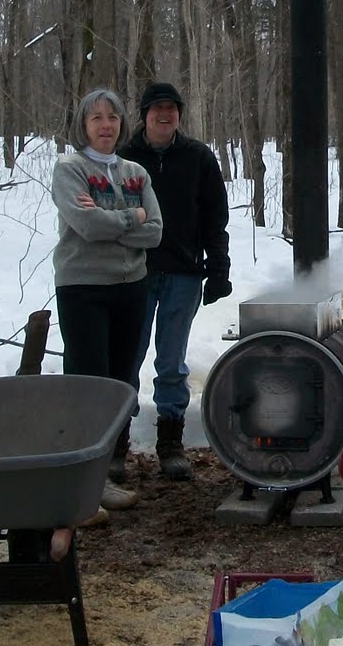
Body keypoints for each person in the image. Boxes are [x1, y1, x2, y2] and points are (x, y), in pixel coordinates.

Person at [53, 87, 164, 510]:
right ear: (83, 124)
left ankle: (105, 473)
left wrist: (111, 220)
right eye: (96, 118)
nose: (105, 125)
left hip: (131, 286)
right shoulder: (70, 169)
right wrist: (128, 216)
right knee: (88, 384)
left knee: (120, 381)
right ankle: (79, 478)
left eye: (112, 117)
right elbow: (85, 225)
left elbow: (154, 230)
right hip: (83, 287)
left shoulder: (135, 171)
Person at [122, 81, 232, 481]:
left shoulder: (198, 157)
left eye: (171, 108)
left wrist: (218, 267)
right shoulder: (124, 158)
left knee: (171, 363)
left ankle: (170, 442)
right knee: (127, 359)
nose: (164, 115)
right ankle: (117, 443)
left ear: (179, 115)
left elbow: (214, 219)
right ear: (144, 114)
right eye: (157, 109)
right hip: (134, 274)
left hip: (184, 274)